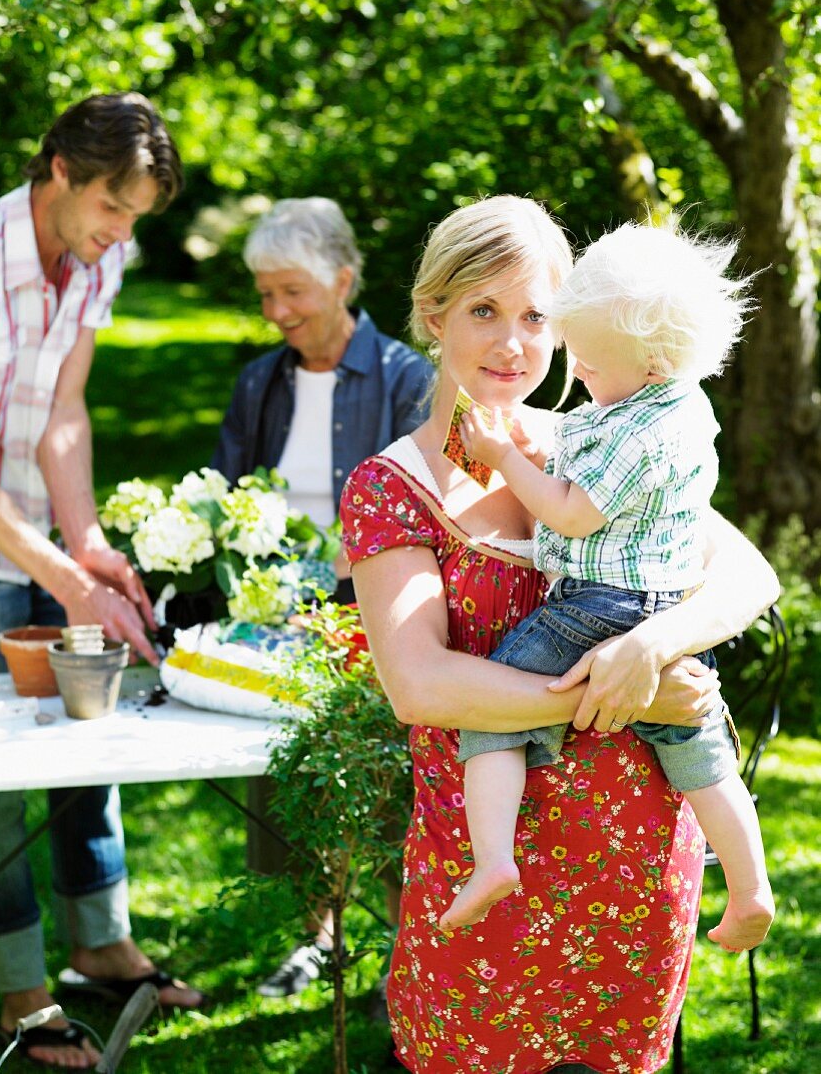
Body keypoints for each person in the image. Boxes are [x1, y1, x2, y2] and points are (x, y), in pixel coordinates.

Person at [339, 195, 780, 1073]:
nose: (513, 343)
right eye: (484, 312)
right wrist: (619, 691)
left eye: (537, 315)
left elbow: (747, 576)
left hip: (634, 860)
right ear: (433, 316)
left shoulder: (604, 441)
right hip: (486, 871)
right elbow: (419, 683)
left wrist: (654, 646)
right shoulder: (390, 488)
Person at [442, 218, 775, 953]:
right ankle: (750, 889)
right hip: (664, 602)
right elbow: (588, 446)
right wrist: (538, 445)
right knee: (699, 755)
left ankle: (491, 858)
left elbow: (569, 509)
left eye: (588, 364)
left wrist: (501, 452)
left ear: (650, 363)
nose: (578, 374)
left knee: (493, 712)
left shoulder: (640, 429)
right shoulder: (671, 409)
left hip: (603, 605)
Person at [0, 92, 202, 1070]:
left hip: (36, 533)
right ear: (62, 172)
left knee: (88, 736)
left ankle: (101, 940)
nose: (124, 235)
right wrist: (60, 574)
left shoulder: (98, 257)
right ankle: (22, 987)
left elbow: (64, 408)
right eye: (114, 209)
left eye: (137, 217)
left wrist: (85, 544)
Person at [211, 196, 434, 997]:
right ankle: (321, 938)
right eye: (266, 295)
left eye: (291, 293)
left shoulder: (410, 379)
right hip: (274, 620)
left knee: (392, 790)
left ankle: (407, 961)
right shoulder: (260, 383)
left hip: (375, 618)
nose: (276, 313)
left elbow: (435, 505)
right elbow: (226, 495)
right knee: (295, 784)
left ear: (342, 280)